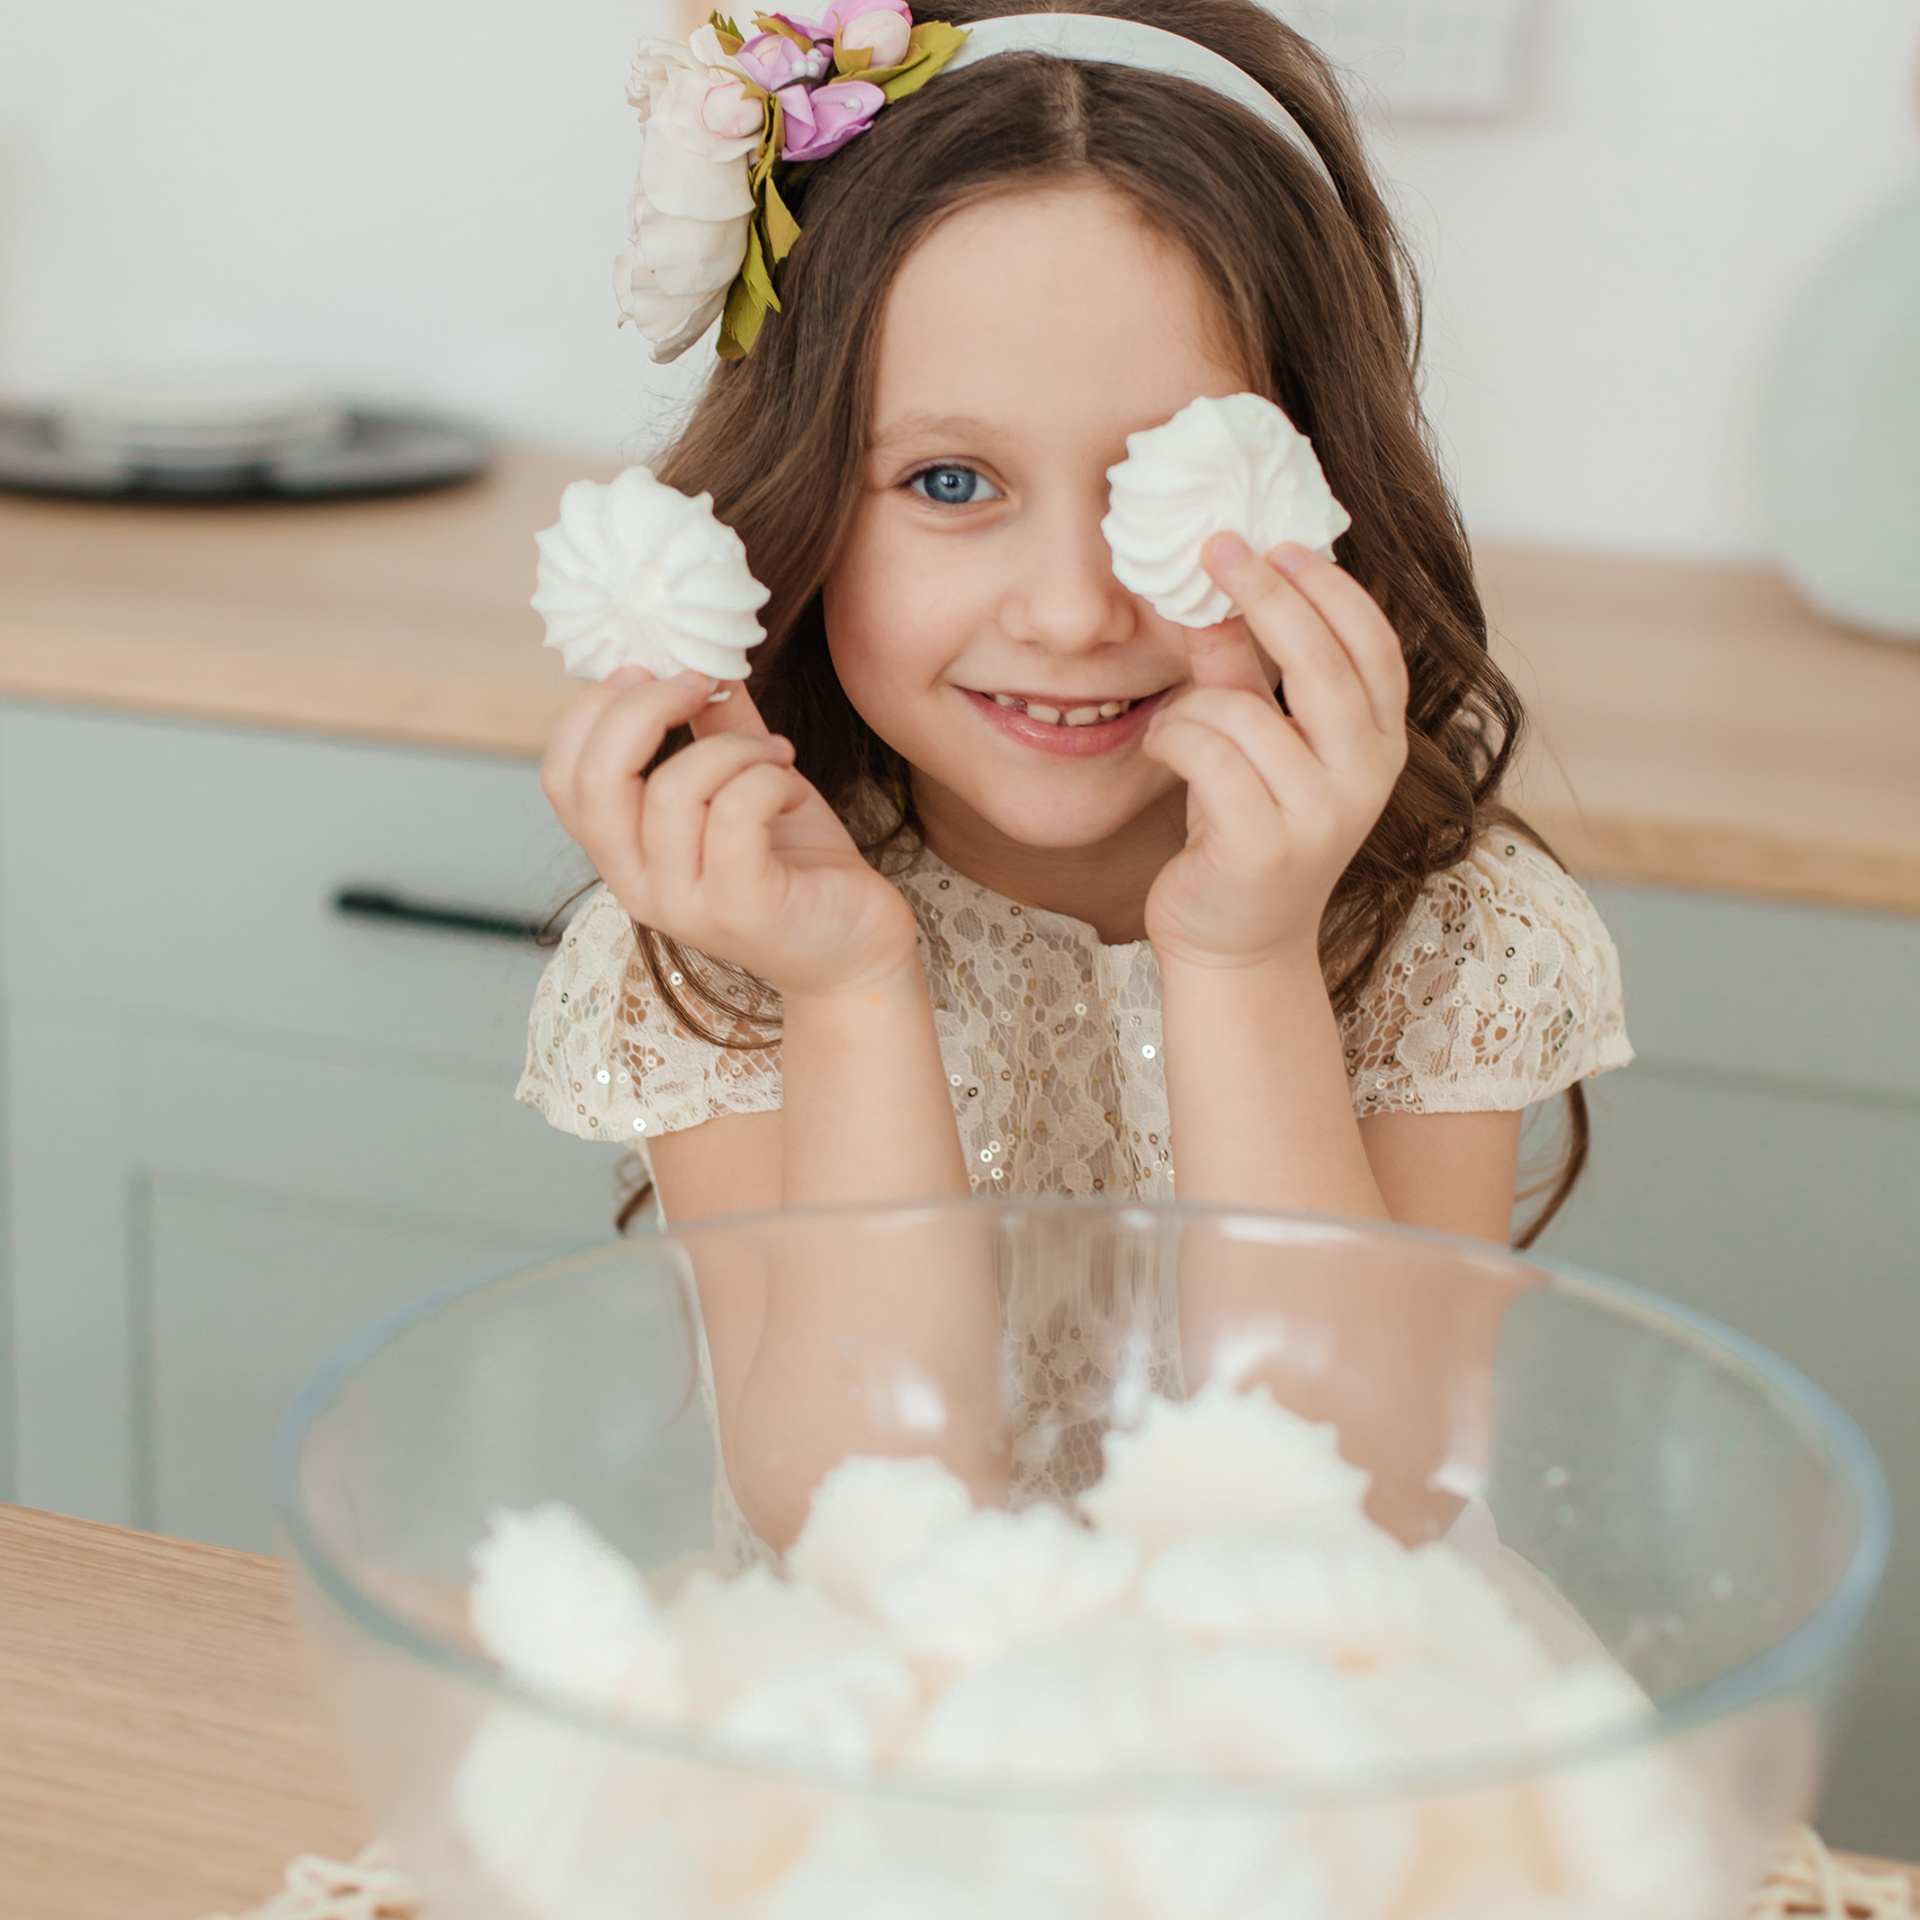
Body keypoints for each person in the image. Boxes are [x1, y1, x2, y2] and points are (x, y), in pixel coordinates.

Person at [520, 0, 1630, 1549]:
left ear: (1325, 489)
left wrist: (1243, 960)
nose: (1071, 609)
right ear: (798, 507)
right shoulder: (725, 934)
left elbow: (1355, 1524)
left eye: (1166, 486)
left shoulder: (1445, 931)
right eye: (949, 481)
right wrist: (848, 994)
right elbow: (860, 1534)